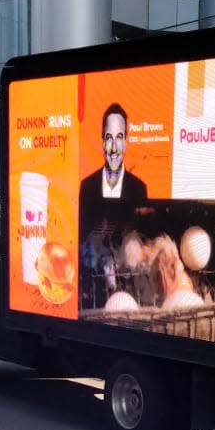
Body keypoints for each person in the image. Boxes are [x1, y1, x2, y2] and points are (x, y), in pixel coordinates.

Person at [79, 103, 149, 307]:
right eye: (109, 137)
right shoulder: (87, 186)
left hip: (129, 296)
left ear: (126, 142)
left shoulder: (138, 188)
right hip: (93, 295)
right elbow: (83, 238)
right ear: (102, 142)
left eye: (119, 137)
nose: (113, 147)